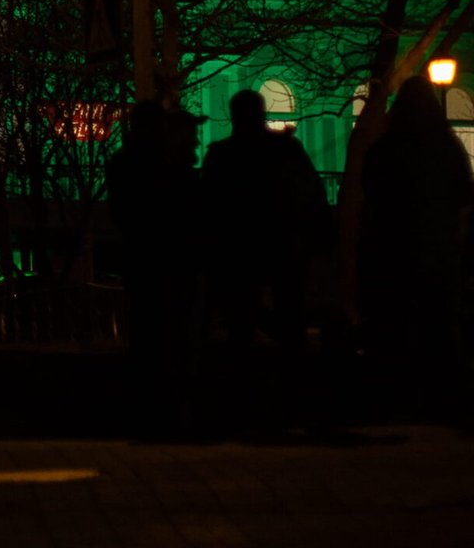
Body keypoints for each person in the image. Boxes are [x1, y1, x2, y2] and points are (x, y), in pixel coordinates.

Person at [357, 71, 474, 419]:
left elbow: (372, 195)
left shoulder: (385, 150)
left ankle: (397, 397)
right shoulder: (447, 149)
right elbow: (463, 195)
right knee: (438, 327)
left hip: (392, 253)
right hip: (436, 252)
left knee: (396, 328)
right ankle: (442, 399)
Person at [200, 90, 333, 364]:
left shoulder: (222, 155)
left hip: (240, 250)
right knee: (289, 316)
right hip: (282, 245)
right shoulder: (285, 149)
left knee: (242, 323)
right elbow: (312, 192)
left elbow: (209, 206)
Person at [106, 99, 203, 437]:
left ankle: (150, 415)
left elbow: (122, 215)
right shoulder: (165, 166)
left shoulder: (124, 163)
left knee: (148, 339)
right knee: (170, 340)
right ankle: (169, 415)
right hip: (169, 263)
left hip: (144, 262)